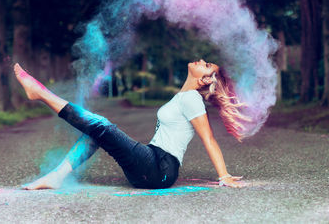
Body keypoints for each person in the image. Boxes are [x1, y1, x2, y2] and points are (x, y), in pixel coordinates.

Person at [14, 59, 248, 190]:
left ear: (205, 80)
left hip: (160, 169)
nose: (202, 61)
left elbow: (208, 138)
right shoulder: (182, 97)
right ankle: (56, 176)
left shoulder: (192, 99)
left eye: (207, 66)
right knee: (97, 134)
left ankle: (41, 94)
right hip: (151, 165)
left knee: (102, 125)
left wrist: (224, 175)